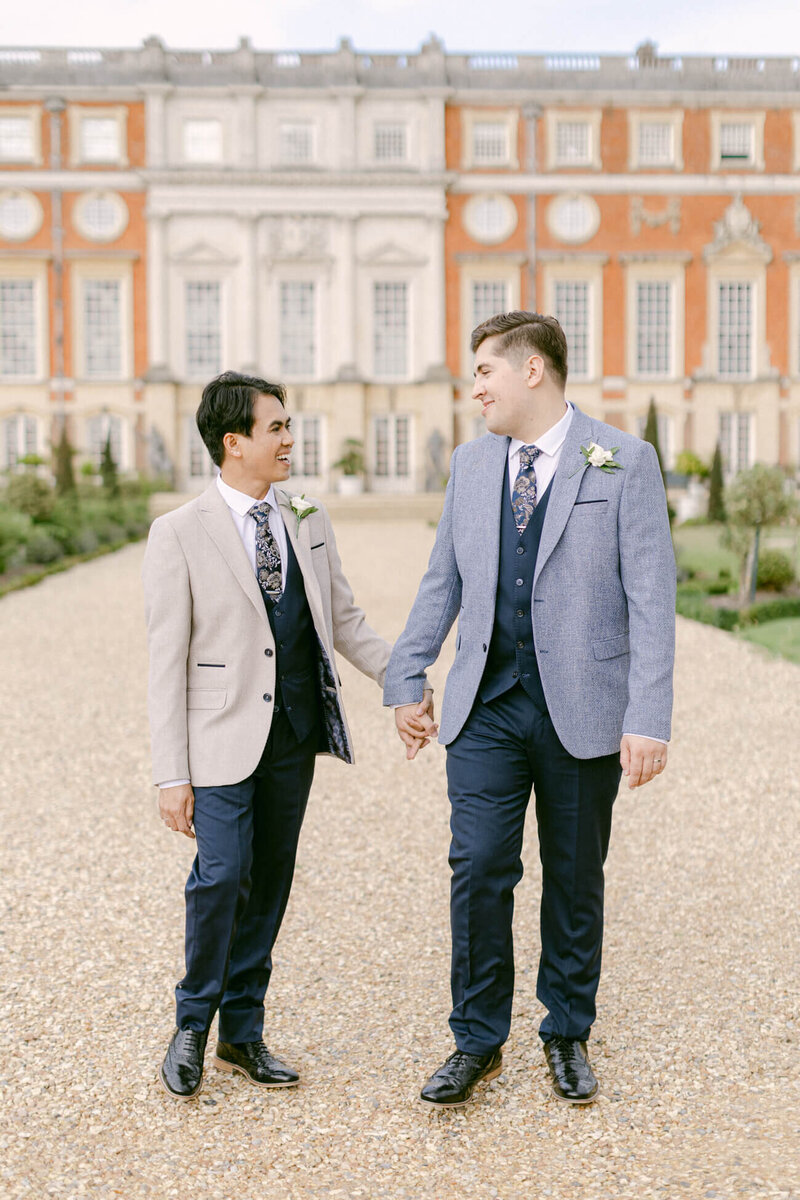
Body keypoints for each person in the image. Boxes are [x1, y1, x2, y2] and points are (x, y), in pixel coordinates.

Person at [386, 312, 675, 1108]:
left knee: (576, 876)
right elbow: (442, 579)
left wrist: (649, 715)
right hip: (487, 705)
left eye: (484, 371)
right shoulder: (472, 465)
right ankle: (476, 1040)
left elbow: (652, 601)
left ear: (532, 371)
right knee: (477, 866)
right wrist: (406, 674)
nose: (474, 386)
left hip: (584, 706)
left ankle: (567, 1031)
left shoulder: (624, 459)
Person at [143, 370, 432, 1100]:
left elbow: (344, 622)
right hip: (216, 739)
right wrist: (168, 773)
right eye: (275, 428)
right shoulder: (177, 533)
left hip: (293, 735)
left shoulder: (308, 517)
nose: (289, 440)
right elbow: (163, 662)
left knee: (269, 882)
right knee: (219, 878)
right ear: (232, 442)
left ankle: (243, 1035)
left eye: (288, 426)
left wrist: (403, 684)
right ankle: (190, 1026)